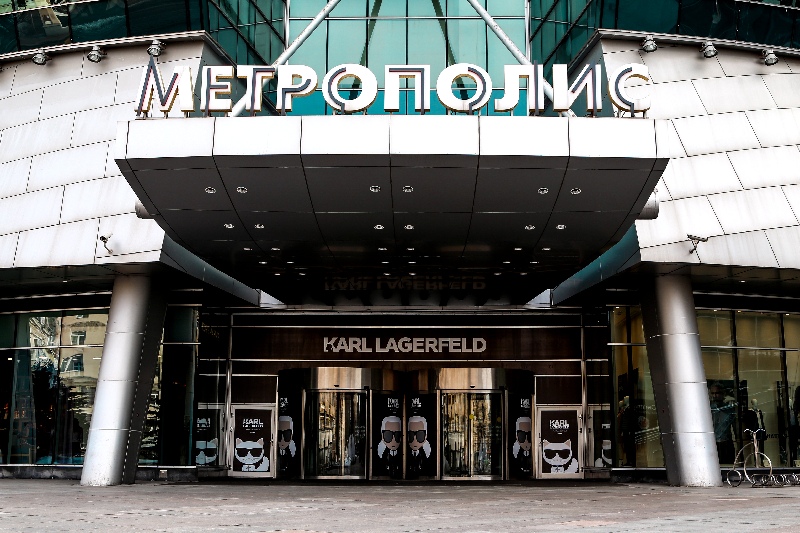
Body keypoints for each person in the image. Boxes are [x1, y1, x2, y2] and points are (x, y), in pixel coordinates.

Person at [709, 382, 736, 464]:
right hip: (712, 443)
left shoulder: (729, 409)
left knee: (728, 465)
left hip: (726, 443)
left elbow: (735, 427)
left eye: (717, 393)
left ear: (723, 394)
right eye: (713, 393)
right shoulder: (708, 409)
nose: (714, 396)